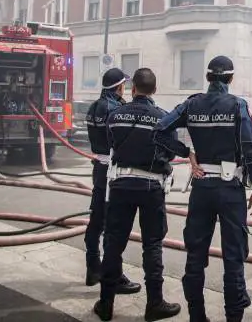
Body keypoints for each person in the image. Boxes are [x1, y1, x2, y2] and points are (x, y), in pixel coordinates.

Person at [153, 55, 252, 322]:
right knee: (234, 257)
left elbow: (159, 130)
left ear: (207, 78)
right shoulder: (238, 106)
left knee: (195, 255)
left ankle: (197, 316)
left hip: (201, 187)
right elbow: (250, 150)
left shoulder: (191, 105)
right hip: (230, 189)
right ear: (230, 79)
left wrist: (187, 153)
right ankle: (233, 317)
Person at [93, 67, 189, 321]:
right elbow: (169, 151)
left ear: (133, 88)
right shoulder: (162, 118)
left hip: (120, 185)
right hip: (151, 187)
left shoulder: (115, 115)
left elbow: (110, 141)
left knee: (114, 243)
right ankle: (154, 304)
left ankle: (105, 304)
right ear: (154, 90)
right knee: (152, 244)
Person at [83, 67, 140, 295]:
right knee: (113, 226)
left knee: (96, 219)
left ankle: (92, 267)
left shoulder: (94, 107)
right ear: (119, 86)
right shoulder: (116, 110)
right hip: (113, 170)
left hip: (99, 167)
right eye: (123, 84)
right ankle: (113, 276)